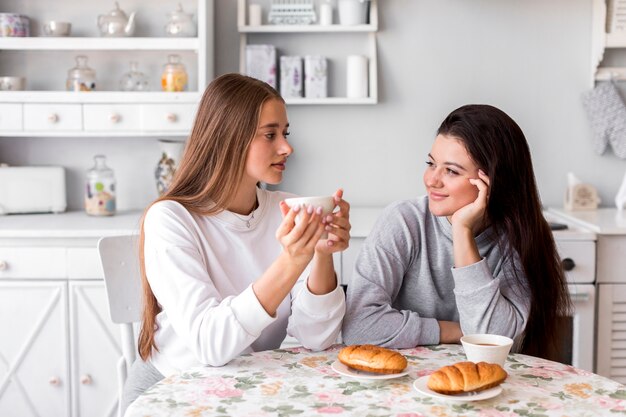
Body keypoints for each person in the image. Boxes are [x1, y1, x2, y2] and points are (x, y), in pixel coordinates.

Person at [122, 73, 350, 411]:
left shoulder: (287, 209)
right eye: (270, 135)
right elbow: (209, 345)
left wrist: (320, 254)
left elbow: (317, 338)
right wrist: (290, 261)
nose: (287, 147)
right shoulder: (170, 218)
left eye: (285, 134)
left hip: (248, 386)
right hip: (173, 387)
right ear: (228, 138)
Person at [342, 104, 570, 361]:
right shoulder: (404, 221)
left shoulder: (518, 236)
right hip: (404, 381)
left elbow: (491, 342)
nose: (432, 180)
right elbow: (358, 327)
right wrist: (452, 331)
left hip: (488, 382)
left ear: (491, 182)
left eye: (451, 171)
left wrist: (463, 231)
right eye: (431, 163)